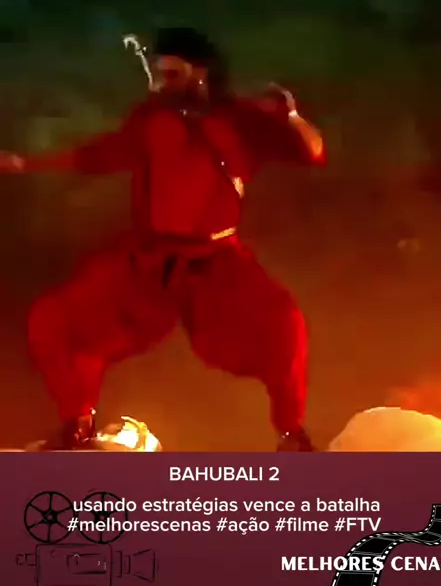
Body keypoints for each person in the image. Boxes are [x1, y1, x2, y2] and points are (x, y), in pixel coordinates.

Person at [0, 28, 326, 451]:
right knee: (56, 319)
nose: (162, 83)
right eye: (160, 74)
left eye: (173, 74)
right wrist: (26, 163)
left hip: (217, 262)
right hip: (148, 263)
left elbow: (311, 152)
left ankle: (291, 433)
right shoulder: (152, 118)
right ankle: (78, 422)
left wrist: (291, 117)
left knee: (283, 325)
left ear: (201, 72)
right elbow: (99, 155)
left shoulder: (240, 119)